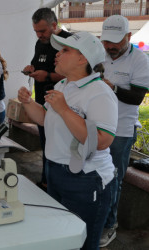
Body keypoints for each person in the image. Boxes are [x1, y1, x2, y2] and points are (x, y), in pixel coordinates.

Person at [18, 31, 118, 249]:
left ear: (83, 58)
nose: (57, 54)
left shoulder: (99, 92)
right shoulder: (62, 85)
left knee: (83, 243)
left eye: (65, 50)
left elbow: (102, 141)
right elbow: (44, 119)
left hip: (86, 178)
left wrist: (64, 110)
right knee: (62, 239)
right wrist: (28, 103)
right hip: (56, 171)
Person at [99, 15, 149, 247]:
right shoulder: (101, 55)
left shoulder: (139, 60)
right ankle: (95, 216)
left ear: (128, 37)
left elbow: (137, 98)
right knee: (94, 175)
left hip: (121, 130)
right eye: (106, 42)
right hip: (97, 125)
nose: (110, 48)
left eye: (115, 43)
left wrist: (113, 87)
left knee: (114, 179)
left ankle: (110, 225)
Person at [23, 8, 72, 192]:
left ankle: (55, 185)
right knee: (46, 145)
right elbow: (39, 63)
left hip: (62, 105)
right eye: (36, 31)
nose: (39, 35)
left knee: (59, 147)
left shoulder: (69, 42)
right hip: (43, 102)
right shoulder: (40, 43)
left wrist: (48, 76)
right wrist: (32, 68)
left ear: (54, 25)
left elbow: (74, 75)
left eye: (42, 31)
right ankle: (46, 182)